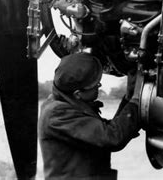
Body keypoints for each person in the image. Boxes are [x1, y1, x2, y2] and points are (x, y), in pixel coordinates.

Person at [39, 52, 140, 180]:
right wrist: (136, 101)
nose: (99, 86)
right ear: (77, 94)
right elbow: (112, 137)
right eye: (95, 85)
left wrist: (129, 96)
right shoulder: (57, 114)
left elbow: (106, 129)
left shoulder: (66, 102)